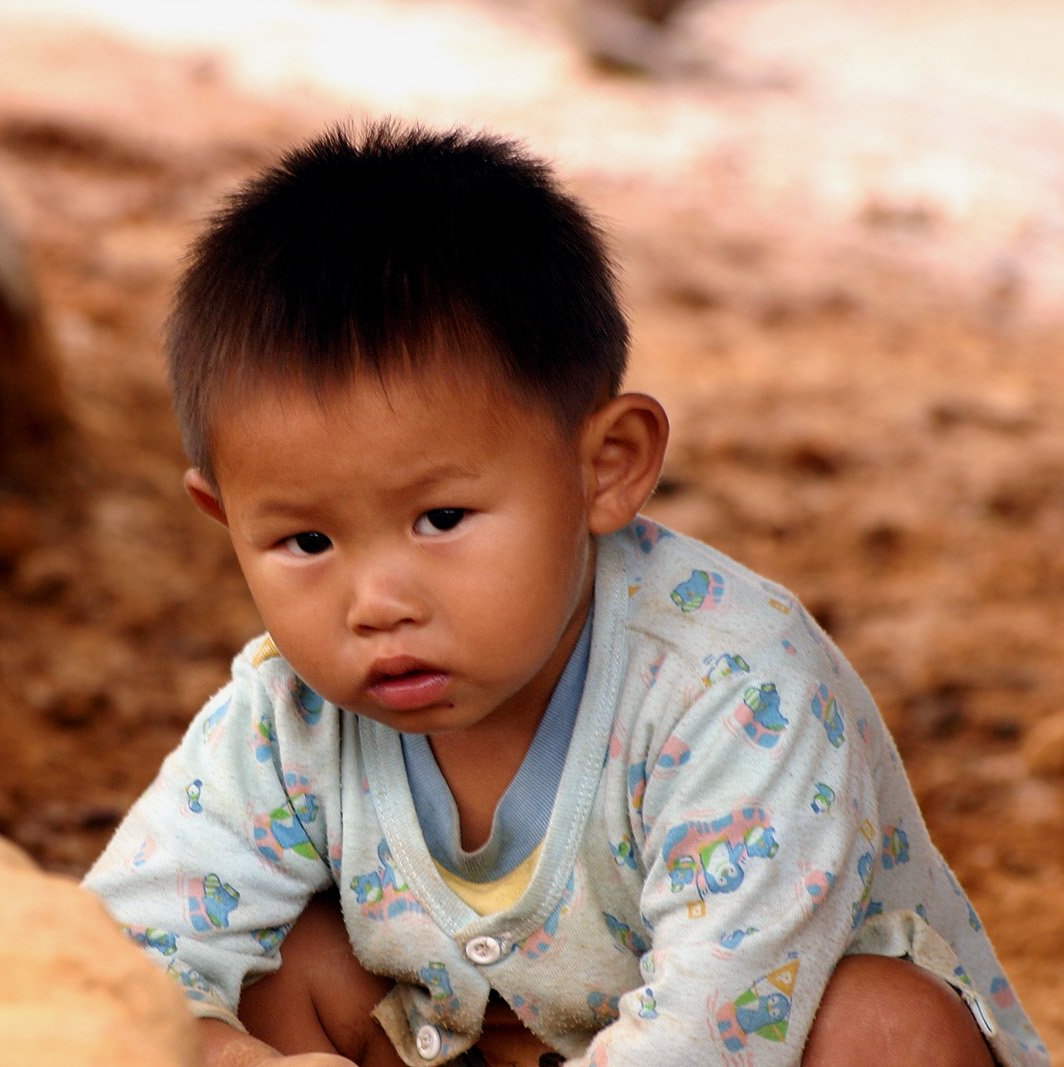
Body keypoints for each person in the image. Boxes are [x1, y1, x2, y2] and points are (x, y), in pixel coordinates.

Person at [82, 121, 1048, 1067]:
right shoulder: (285, 719)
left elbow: (715, 1026)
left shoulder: (731, 689)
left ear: (605, 467)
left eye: (443, 519)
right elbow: (117, 948)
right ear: (224, 520)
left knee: (882, 1027)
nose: (375, 602)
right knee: (279, 967)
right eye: (305, 540)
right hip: (481, 1034)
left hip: (732, 1039)